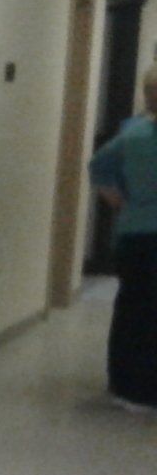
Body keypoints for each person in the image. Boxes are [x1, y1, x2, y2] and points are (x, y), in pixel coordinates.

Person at [89, 64, 157, 411]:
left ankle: (127, 386)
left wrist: (119, 201)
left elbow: (98, 167)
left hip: (136, 235)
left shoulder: (132, 136)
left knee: (132, 311)